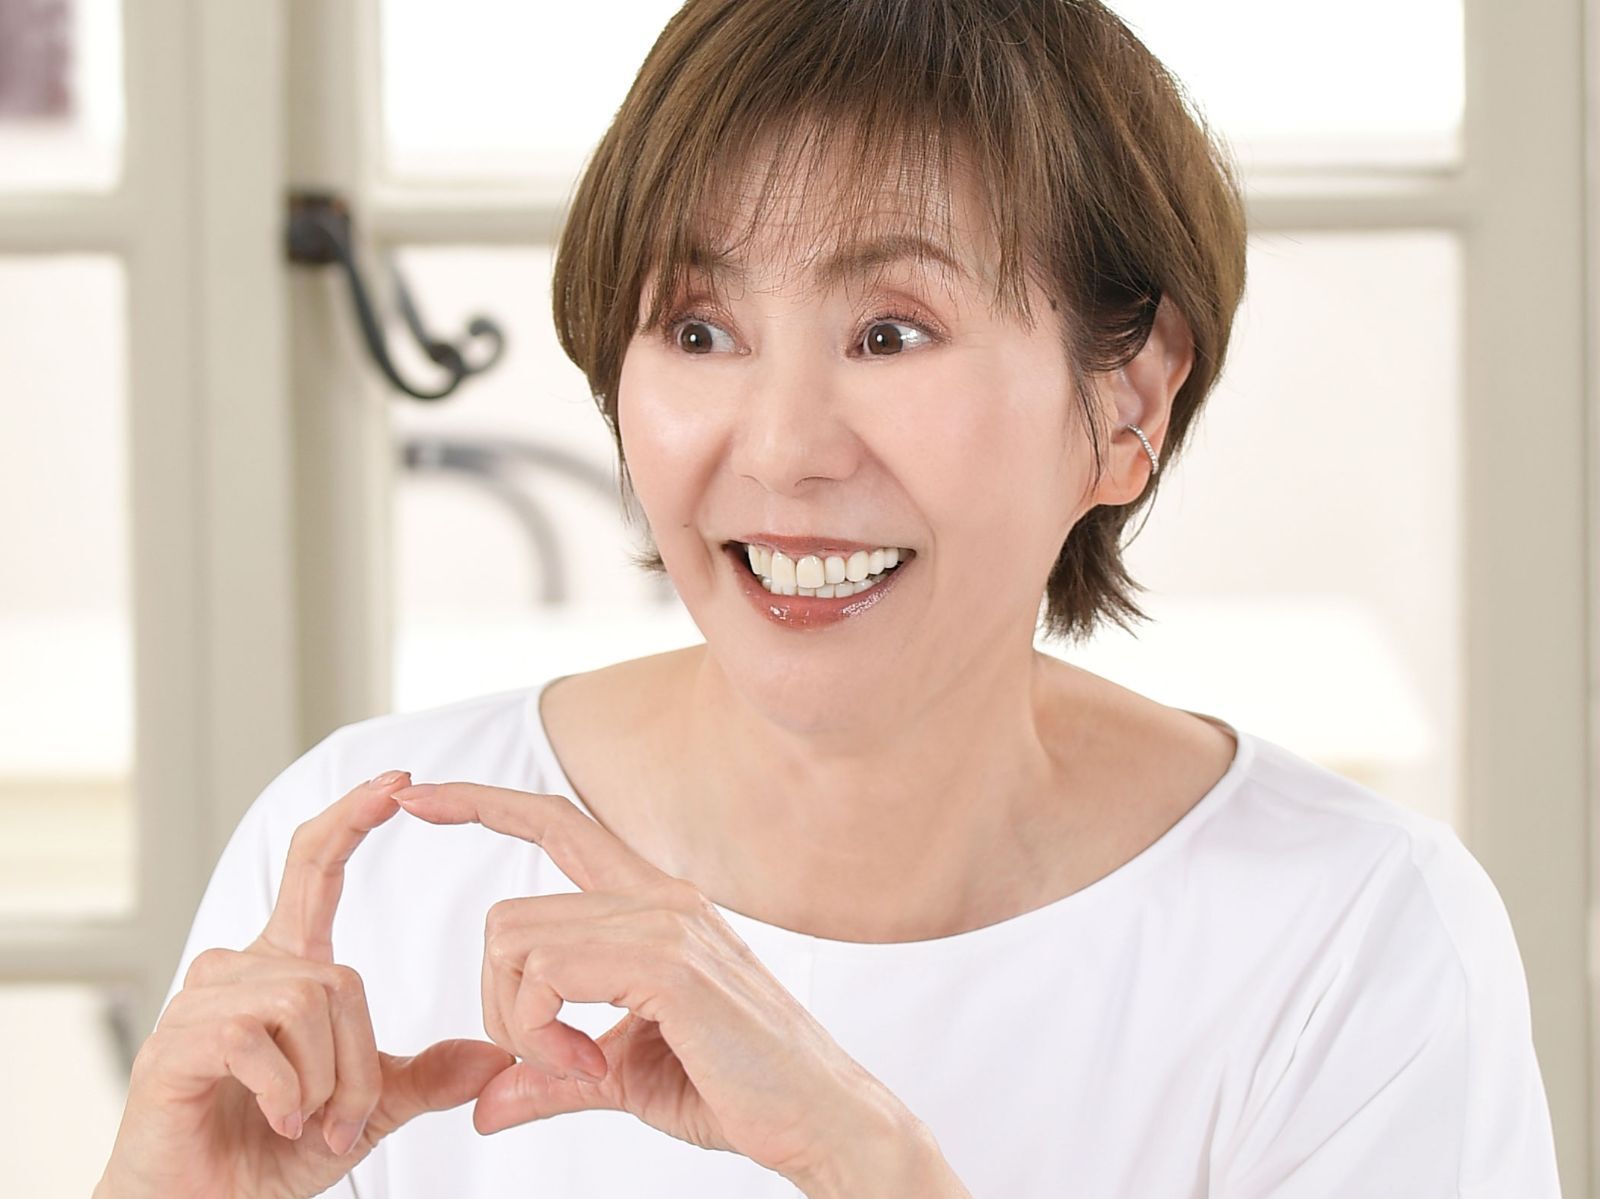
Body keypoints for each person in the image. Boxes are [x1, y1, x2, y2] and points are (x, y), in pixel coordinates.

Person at [96, 0, 1563, 1196]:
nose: (784, 448)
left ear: (1128, 399)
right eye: (698, 329)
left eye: (890, 331)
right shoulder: (374, 873)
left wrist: (870, 1165)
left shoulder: (1347, 939)